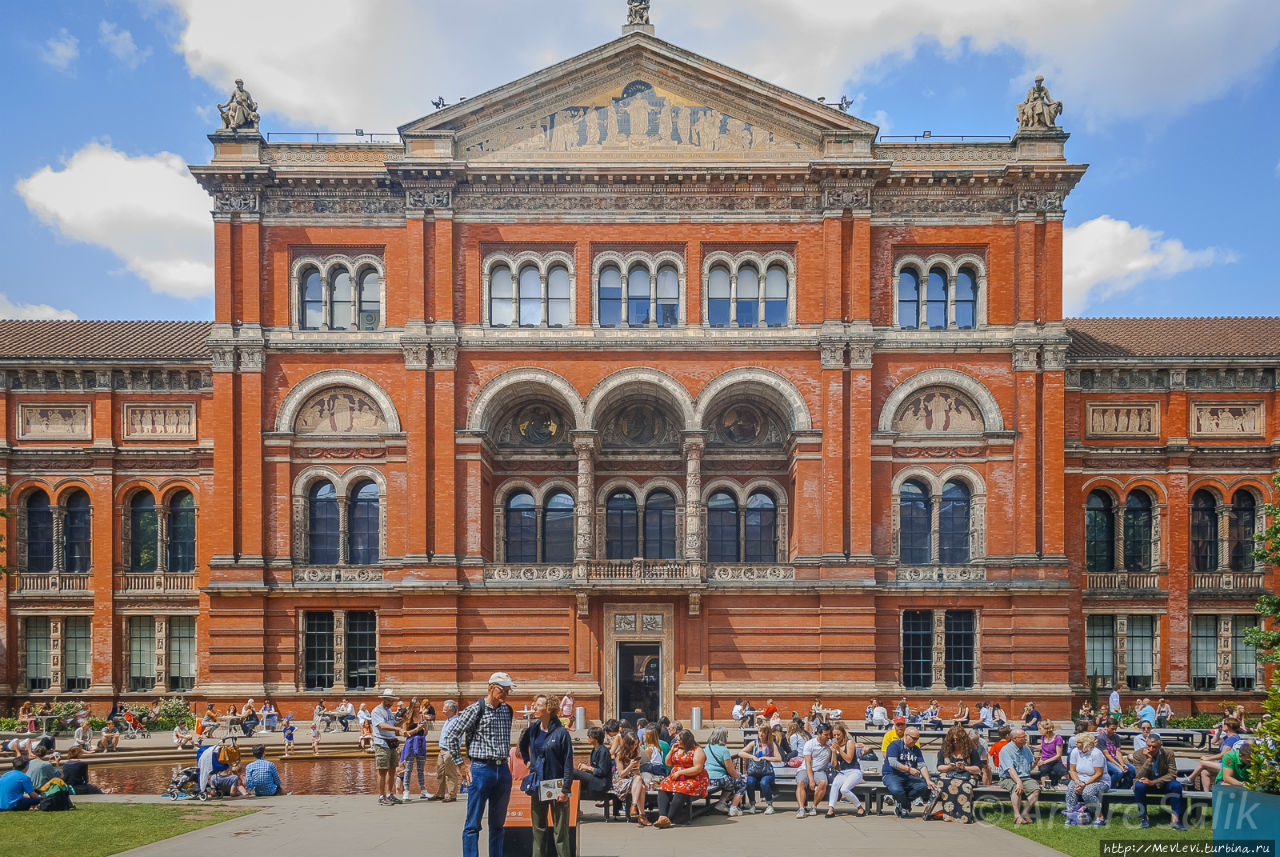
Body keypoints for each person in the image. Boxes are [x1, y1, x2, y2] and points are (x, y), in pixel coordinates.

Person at [443, 672, 518, 857]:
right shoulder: (475, 709)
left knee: (498, 824)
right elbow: (452, 736)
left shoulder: (507, 710)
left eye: (508, 690)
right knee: (473, 824)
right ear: (491, 687)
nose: (506, 694)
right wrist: (461, 764)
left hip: (503, 769)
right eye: (503, 689)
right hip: (481, 769)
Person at [519, 693, 574, 857]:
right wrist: (527, 760)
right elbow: (522, 745)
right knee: (538, 830)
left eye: (538, 705)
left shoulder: (561, 732)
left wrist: (565, 789)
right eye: (534, 704)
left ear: (549, 708)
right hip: (538, 785)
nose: (534, 707)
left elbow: (568, 762)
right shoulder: (533, 729)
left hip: (557, 786)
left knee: (560, 832)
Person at [654, 729, 708, 828]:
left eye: (679, 740)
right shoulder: (677, 748)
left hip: (693, 778)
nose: (677, 742)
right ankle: (662, 816)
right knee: (663, 786)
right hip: (676, 778)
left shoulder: (697, 750)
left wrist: (680, 772)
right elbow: (668, 763)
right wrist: (671, 751)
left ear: (686, 740)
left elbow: (697, 768)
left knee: (682, 789)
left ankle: (669, 818)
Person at [1131, 734, 1186, 830]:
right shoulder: (1138, 755)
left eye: (1154, 747)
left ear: (1160, 746)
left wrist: (1154, 782)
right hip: (1146, 783)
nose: (1151, 749)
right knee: (1139, 786)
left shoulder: (1168, 753)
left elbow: (1172, 774)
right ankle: (1144, 817)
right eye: (1149, 746)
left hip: (1163, 783)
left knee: (1176, 786)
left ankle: (1175, 819)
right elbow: (1139, 776)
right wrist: (1148, 760)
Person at [882, 726, 933, 819]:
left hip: (908, 776)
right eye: (914, 738)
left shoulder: (916, 749)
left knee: (922, 786)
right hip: (892, 774)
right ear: (906, 735)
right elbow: (893, 763)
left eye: (917, 739)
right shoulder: (895, 745)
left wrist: (928, 780)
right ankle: (906, 806)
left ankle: (901, 804)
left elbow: (922, 765)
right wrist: (909, 769)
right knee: (897, 790)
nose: (915, 741)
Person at [935, 724, 981, 823]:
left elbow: (978, 769)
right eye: (953, 740)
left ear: (963, 739)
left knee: (964, 785)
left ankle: (963, 816)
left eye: (958, 740)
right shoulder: (945, 750)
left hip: (967, 775)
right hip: (949, 773)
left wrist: (964, 767)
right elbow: (939, 767)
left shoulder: (971, 751)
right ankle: (949, 814)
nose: (955, 742)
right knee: (944, 782)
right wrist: (949, 767)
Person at [734, 722, 780, 815]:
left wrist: (766, 758)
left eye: (763, 732)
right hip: (754, 771)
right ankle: (752, 805)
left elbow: (779, 758)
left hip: (767, 772)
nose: (761, 734)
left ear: (767, 733)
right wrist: (752, 757)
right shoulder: (754, 743)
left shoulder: (771, 745)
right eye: (759, 731)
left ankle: (769, 805)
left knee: (764, 783)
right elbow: (741, 753)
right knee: (750, 782)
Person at [1065, 732, 1110, 826]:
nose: (1076, 744)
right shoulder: (1075, 751)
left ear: (1086, 743)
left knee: (1087, 792)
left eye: (1079, 742)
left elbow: (1099, 774)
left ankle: (1099, 817)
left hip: (1100, 781)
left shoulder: (1096, 753)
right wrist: (1078, 782)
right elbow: (1072, 771)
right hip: (1080, 780)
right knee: (1070, 788)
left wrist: (1084, 784)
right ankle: (1071, 815)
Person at [826, 721, 869, 817]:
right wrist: (833, 752)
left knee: (844, 789)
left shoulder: (849, 743)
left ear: (843, 734)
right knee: (835, 785)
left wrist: (839, 750)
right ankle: (831, 808)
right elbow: (834, 765)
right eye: (834, 735)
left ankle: (860, 807)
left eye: (838, 734)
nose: (836, 737)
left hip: (854, 771)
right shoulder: (836, 745)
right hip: (843, 772)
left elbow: (849, 759)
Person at [370, 688, 405, 805]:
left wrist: (402, 721)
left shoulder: (389, 712)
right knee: (382, 771)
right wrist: (397, 728)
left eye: (392, 701)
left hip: (391, 743)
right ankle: (381, 796)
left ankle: (389, 794)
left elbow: (393, 725)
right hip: (381, 743)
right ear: (384, 699)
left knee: (392, 770)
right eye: (389, 701)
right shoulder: (376, 711)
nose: (391, 703)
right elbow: (382, 725)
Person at [999, 728, 1041, 825]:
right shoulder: (1005, 750)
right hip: (1008, 777)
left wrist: (1035, 763)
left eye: (1025, 737)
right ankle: (1017, 816)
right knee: (1016, 788)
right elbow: (1010, 769)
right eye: (1023, 737)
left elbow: (1029, 767)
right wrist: (1018, 782)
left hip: (1025, 777)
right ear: (1014, 739)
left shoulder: (1026, 749)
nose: (1025, 739)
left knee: (1036, 790)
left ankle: (1025, 812)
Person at [1190, 717, 1244, 790]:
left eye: (1224, 724)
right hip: (1222, 764)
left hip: (1227, 765)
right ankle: (1208, 796)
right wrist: (1219, 731)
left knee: (1203, 763)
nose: (1222, 725)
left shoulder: (1232, 739)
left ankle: (1190, 779)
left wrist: (1207, 758)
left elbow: (1223, 755)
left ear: (1229, 726)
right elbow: (1214, 742)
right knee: (1204, 772)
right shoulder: (1227, 737)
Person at [612, 732, 650, 825]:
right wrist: (630, 766)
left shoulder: (636, 752)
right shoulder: (620, 754)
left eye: (636, 744)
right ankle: (640, 813)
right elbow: (621, 774)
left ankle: (636, 809)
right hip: (621, 781)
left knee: (642, 785)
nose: (634, 746)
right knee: (640, 784)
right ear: (627, 744)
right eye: (632, 744)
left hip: (633, 778)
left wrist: (636, 768)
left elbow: (637, 772)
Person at [701, 726, 740, 814]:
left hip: (707, 778)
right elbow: (730, 770)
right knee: (738, 782)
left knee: (730, 780)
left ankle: (724, 803)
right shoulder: (724, 750)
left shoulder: (707, 747)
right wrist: (739, 777)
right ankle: (722, 803)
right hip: (718, 779)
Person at [571, 726, 611, 797]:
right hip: (594, 778)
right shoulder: (594, 750)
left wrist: (588, 768)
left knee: (573, 771)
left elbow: (602, 772)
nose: (588, 738)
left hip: (602, 782)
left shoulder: (603, 751)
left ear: (595, 738)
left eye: (589, 736)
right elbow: (593, 768)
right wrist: (585, 769)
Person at [434, 699, 460, 802]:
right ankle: (440, 793)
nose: (443, 711)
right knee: (440, 772)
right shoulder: (448, 720)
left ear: (452, 710)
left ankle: (452, 795)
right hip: (443, 749)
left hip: (450, 750)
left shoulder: (456, 721)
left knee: (450, 773)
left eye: (445, 709)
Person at [1097, 717, 1135, 789]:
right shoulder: (1101, 738)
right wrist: (1119, 766)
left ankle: (1123, 788)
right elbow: (1107, 755)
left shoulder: (1116, 737)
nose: (1114, 731)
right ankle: (1111, 788)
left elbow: (1118, 752)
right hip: (1105, 761)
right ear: (1107, 727)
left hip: (1114, 759)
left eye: (1115, 729)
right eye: (1112, 729)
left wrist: (1123, 764)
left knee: (1133, 770)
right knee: (1119, 772)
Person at [400, 718, 432, 801]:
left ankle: (423, 790)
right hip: (410, 744)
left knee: (421, 769)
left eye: (419, 707)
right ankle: (406, 790)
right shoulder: (407, 720)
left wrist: (425, 727)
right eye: (416, 707)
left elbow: (425, 733)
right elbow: (405, 734)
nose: (418, 709)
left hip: (421, 743)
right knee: (408, 769)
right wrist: (418, 728)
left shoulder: (422, 719)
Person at [1035, 719, 1067, 787]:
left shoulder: (1058, 738)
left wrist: (1045, 762)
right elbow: (1043, 746)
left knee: (1063, 771)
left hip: (1055, 761)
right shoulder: (1043, 737)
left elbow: (1058, 755)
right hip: (1044, 760)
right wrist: (1031, 746)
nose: (1039, 731)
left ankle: (1063, 787)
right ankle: (1047, 787)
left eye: (1040, 729)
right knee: (1044, 770)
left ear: (1047, 729)